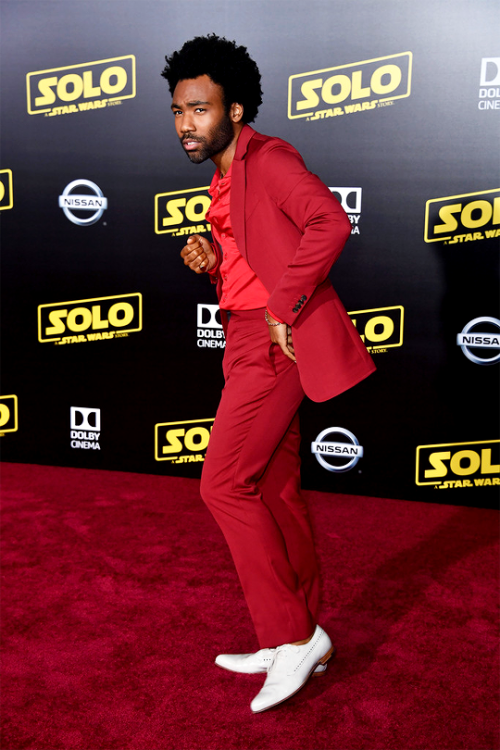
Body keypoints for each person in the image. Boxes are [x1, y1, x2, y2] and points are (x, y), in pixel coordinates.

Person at [161, 34, 375, 713]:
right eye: (176, 111)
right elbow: (258, 250)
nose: (185, 124)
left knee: (222, 484)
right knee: (275, 491)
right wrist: (214, 258)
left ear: (237, 109)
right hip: (242, 337)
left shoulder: (270, 157)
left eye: (198, 109)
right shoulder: (227, 175)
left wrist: (284, 305)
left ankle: (291, 636)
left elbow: (329, 221)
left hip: (275, 343)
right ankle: (300, 632)